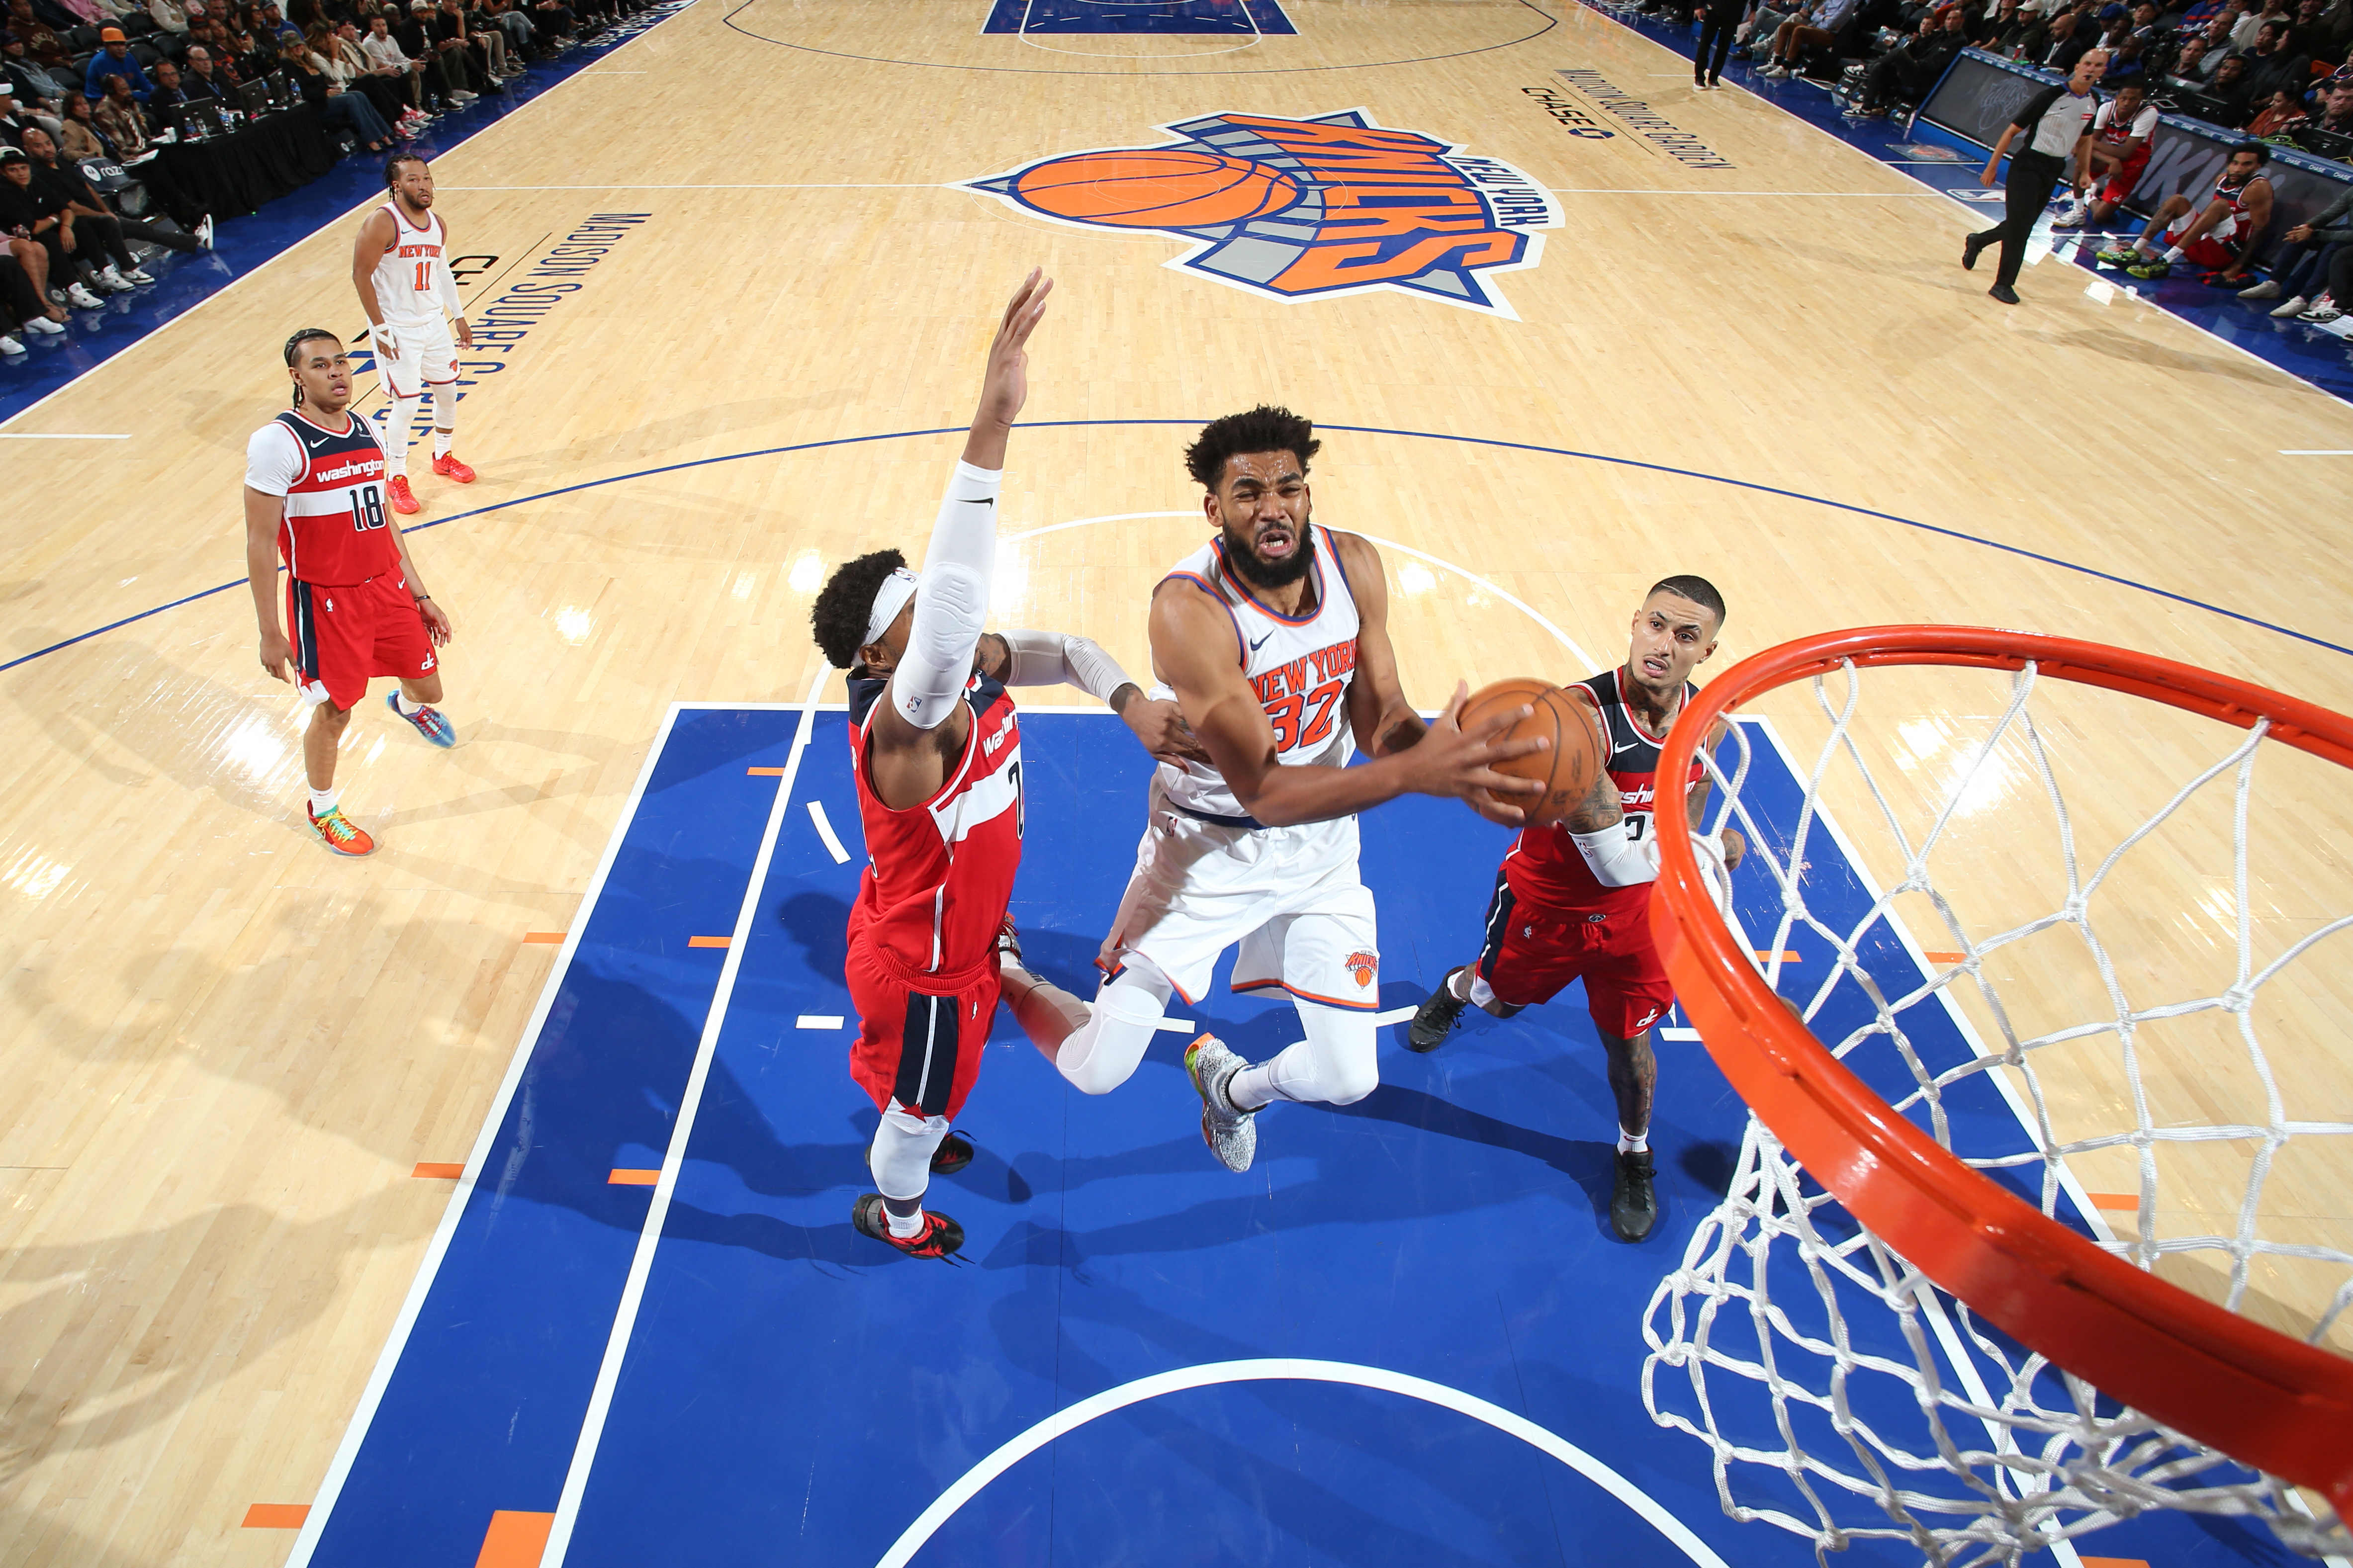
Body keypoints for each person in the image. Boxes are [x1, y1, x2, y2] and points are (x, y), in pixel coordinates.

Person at [1019, 411, 1547, 1178]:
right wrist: (1416, 773)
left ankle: (1231, 1088)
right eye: (1248, 492)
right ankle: (1006, 968)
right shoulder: (1189, 610)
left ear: (1308, 493)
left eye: (1289, 487)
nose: (1273, 506)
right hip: (1203, 852)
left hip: (1321, 852)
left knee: (1349, 1077)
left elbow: (1382, 719)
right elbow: (1263, 789)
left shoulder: (1355, 566)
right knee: (1101, 1071)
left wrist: (1456, 754)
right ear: (1215, 509)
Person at [812, 276, 1209, 1259]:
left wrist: (1128, 702)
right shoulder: (902, 739)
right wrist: (989, 426)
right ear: (876, 657)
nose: (932, 611)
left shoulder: (962, 666)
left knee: (910, 1084)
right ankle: (897, 1214)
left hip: (940, 921)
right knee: (917, 1111)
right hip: (931, 972)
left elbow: (1066, 650)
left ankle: (914, 1116)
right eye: (904, 606)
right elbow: (949, 622)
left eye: (916, 587)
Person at [1408, 581, 1745, 1242]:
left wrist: (1698, 854)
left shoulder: (1708, 727)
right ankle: (1457, 988)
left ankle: (1633, 1150)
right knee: (1495, 999)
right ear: (1634, 620)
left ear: (1707, 650)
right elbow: (1614, 863)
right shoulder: (1579, 720)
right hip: (1552, 905)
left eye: (1684, 636)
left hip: (1639, 919)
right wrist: (1719, 849)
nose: (1663, 645)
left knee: (1631, 1045)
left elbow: (1683, 827)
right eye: (1655, 625)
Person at [244, 329, 457, 858]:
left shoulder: (365, 427)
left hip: (385, 588)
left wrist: (419, 592)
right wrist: (272, 634)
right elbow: (258, 542)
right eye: (321, 365)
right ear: (297, 376)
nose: (337, 372)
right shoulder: (278, 442)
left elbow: (383, 518)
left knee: (430, 690)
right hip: (327, 601)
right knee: (336, 713)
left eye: (342, 361)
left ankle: (406, 707)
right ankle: (323, 808)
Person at [352, 153, 475, 514]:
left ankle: (443, 456)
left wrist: (459, 316)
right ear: (396, 186)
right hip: (398, 328)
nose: (423, 185)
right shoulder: (382, 222)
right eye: (413, 180)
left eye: (426, 178)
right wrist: (379, 327)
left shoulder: (437, 224)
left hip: (433, 322)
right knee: (407, 404)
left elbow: (442, 272)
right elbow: (361, 275)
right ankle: (398, 477)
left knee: (449, 390)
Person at [1963, 46, 2106, 302]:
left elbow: (2085, 141)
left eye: (2097, 66)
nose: (2090, 69)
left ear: (2103, 71)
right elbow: (2010, 131)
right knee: (2021, 229)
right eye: (2087, 64)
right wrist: (1992, 166)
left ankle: (1978, 240)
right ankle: (2003, 284)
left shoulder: (2094, 101)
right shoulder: (2051, 96)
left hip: (2055, 167)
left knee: (2023, 224)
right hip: (2028, 164)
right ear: (2077, 67)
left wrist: (2084, 171)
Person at [18, 124, 204, 282]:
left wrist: (106, 210)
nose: (46, 149)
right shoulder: (38, 175)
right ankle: (131, 267)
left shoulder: (61, 161)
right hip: (81, 222)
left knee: (134, 226)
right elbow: (69, 207)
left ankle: (192, 241)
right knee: (134, 227)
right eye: (38, 146)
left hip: (96, 215)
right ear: (28, 150)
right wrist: (104, 216)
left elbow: (87, 187)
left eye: (48, 143)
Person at [2097, 139, 2274, 282]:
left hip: (2226, 253)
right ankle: (2135, 251)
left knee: (2219, 205)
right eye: (2235, 163)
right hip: (2205, 244)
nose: (2238, 169)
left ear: (2257, 167)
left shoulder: (2258, 187)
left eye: (2246, 165)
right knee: (2177, 200)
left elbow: (2260, 229)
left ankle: (2166, 262)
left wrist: (2237, 267)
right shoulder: (2222, 179)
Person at [0, 143, 109, 305]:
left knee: (79, 225)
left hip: (43, 230)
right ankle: (73, 290)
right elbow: (35, 229)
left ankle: (105, 272)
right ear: (3, 173)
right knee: (49, 238)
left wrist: (65, 227)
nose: (21, 173)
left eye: (23, 168)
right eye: (13, 170)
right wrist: (56, 219)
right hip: (22, 239)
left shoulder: (35, 183)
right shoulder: (5, 193)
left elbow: (65, 209)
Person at [2236, 182, 2351, 315]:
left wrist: (2315, 234)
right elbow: (2331, 213)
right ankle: (2274, 283)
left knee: (2334, 246)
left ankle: (2304, 299)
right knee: (2299, 236)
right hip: (2346, 231)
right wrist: (2307, 227)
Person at [2056, 79, 2157, 227]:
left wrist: (2087, 142)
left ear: (2141, 101)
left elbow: (2125, 153)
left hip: (2133, 163)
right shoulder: (2107, 109)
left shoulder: (2148, 113)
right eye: (2123, 98)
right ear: (2117, 97)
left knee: (2099, 217)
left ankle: (2089, 195)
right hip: (2110, 155)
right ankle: (2078, 212)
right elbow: (2083, 148)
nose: (2127, 103)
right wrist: (2110, 160)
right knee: (2082, 163)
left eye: (2133, 99)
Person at [280, 32, 394, 150]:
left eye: (300, 44)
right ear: (288, 48)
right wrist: (325, 94)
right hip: (315, 105)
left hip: (326, 98)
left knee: (359, 95)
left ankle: (384, 135)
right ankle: (371, 141)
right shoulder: (287, 63)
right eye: (294, 46)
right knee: (350, 99)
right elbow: (300, 90)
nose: (299, 48)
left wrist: (330, 89)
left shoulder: (308, 60)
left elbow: (320, 82)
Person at [1852, 3, 1965, 114]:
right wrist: (1916, 44)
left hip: (1925, 78)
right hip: (1915, 71)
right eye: (1948, 19)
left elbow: (1938, 66)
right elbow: (1921, 52)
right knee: (1881, 67)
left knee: (1899, 52)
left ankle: (1866, 68)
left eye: (1954, 19)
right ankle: (1867, 107)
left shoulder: (1960, 41)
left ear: (1962, 21)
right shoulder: (1940, 35)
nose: (1950, 22)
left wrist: (1917, 62)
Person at [1758, 0, 1861, 77]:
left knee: (1799, 30)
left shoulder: (1848, 3)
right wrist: (1824, 18)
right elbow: (1814, 16)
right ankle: (1776, 62)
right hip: (1816, 27)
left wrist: (1822, 18)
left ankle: (1786, 67)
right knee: (1786, 26)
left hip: (1829, 34)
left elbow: (1831, 24)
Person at [81, 25, 153, 99]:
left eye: (122, 44)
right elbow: (116, 94)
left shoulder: (129, 57)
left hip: (126, 95)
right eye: (115, 44)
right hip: (101, 101)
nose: (120, 48)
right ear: (106, 46)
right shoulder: (101, 62)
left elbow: (143, 82)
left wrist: (156, 94)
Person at [1695, 0, 1743, 87]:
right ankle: (1699, 77)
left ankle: (1714, 78)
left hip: (1735, 12)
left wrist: (1753, 11)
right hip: (1714, 9)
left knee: (1724, 47)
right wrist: (1699, 6)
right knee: (1705, 43)